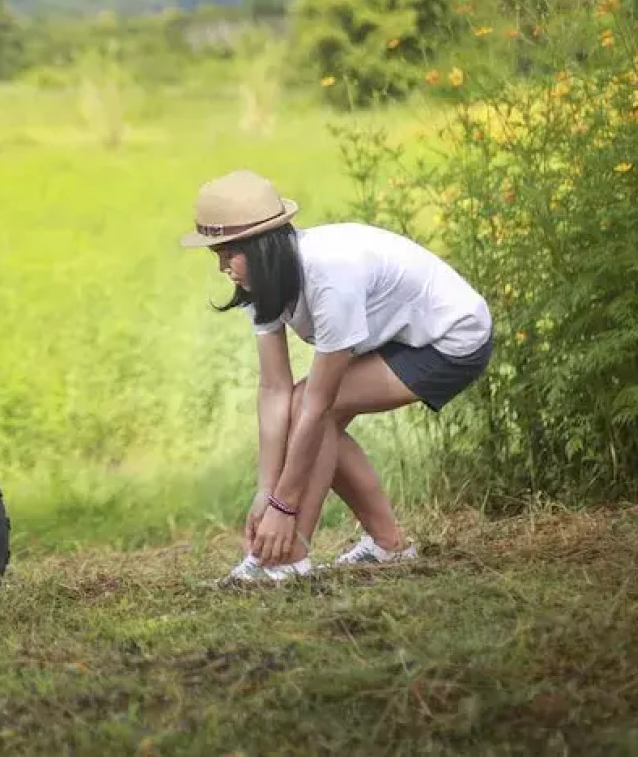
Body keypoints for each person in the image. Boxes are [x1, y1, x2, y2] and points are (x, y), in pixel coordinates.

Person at [179, 169, 493, 585]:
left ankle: (287, 557)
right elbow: (273, 389)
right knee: (302, 405)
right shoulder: (265, 281)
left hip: (453, 337)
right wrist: (265, 493)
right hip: (400, 332)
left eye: (228, 253)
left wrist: (284, 508)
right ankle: (388, 545)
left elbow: (316, 406)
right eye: (216, 254)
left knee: (314, 407)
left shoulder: (329, 275)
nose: (223, 268)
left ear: (263, 246)